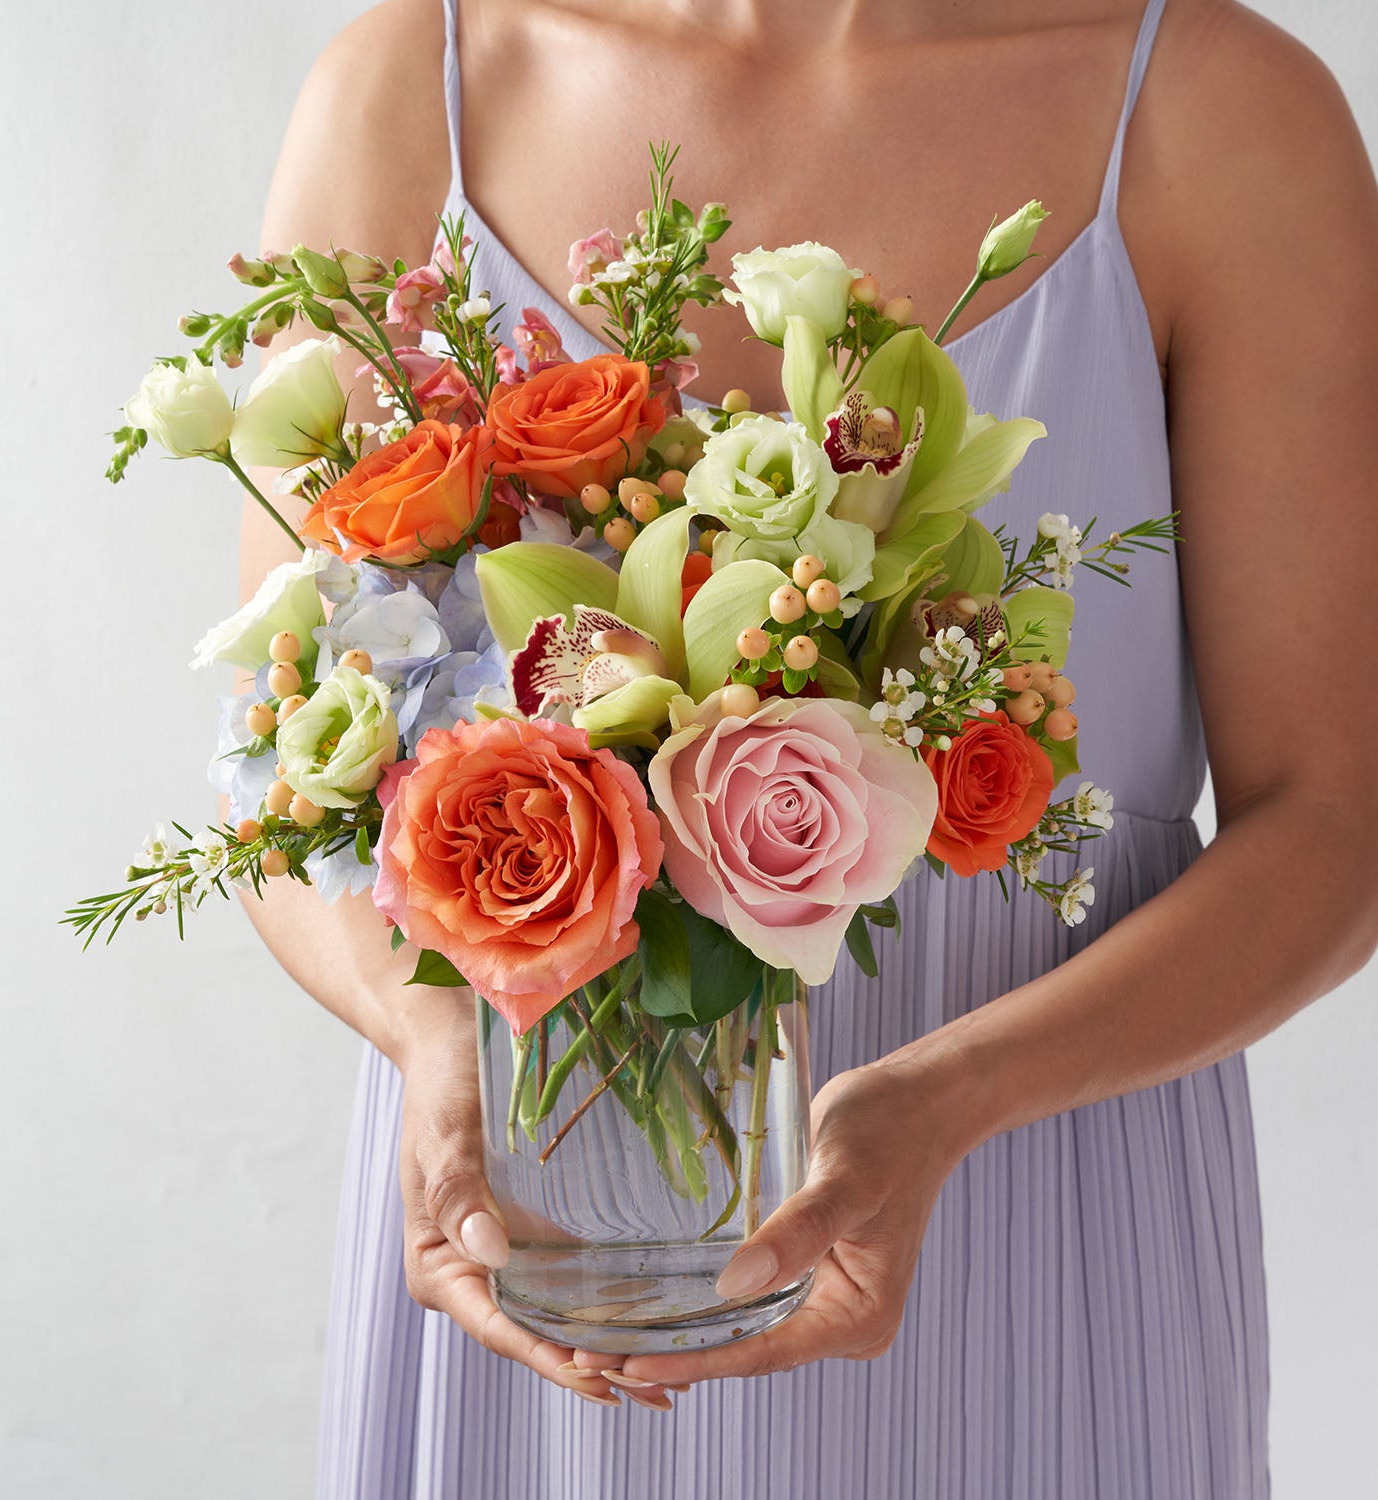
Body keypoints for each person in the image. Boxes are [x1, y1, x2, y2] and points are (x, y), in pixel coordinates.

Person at [234, 0, 1378, 1494]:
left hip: (1038, 1233)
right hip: (542, 1231)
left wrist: (950, 1096)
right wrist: (434, 1039)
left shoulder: (1216, 112)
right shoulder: (416, 86)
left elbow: (1335, 820)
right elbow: (283, 761)